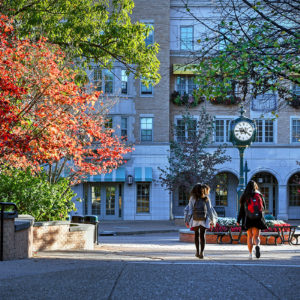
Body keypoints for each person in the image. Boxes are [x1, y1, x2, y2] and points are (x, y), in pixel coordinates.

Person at [237, 180, 267, 260]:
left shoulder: (244, 196)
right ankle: (257, 246)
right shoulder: (259, 195)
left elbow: (242, 210)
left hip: (248, 218)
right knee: (256, 236)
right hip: (257, 218)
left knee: (249, 236)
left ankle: (250, 254)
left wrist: (238, 220)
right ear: (255, 186)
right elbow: (264, 207)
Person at [186, 183, 217, 259]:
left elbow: (190, 210)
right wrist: (212, 220)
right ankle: (202, 252)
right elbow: (210, 210)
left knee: (196, 235)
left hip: (195, 219)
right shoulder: (206, 198)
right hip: (204, 219)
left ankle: (197, 251)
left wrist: (187, 220)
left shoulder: (192, 198)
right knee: (203, 235)